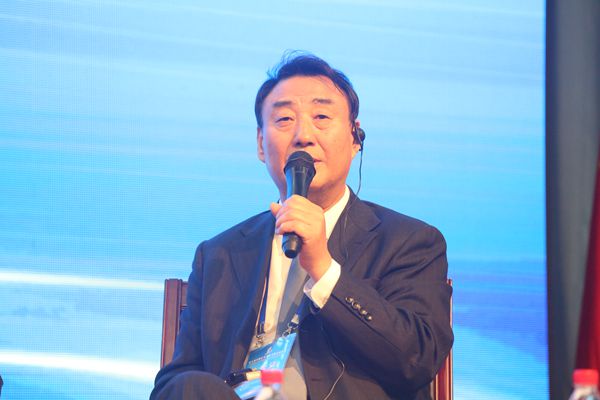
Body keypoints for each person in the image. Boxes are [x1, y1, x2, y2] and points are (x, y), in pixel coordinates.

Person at [150, 52, 453, 400]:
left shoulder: (409, 241)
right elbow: (175, 382)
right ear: (261, 144)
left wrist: (323, 269)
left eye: (321, 117)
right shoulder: (220, 254)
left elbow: (416, 359)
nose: (303, 135)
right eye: (284, 119)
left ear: (355, 138)